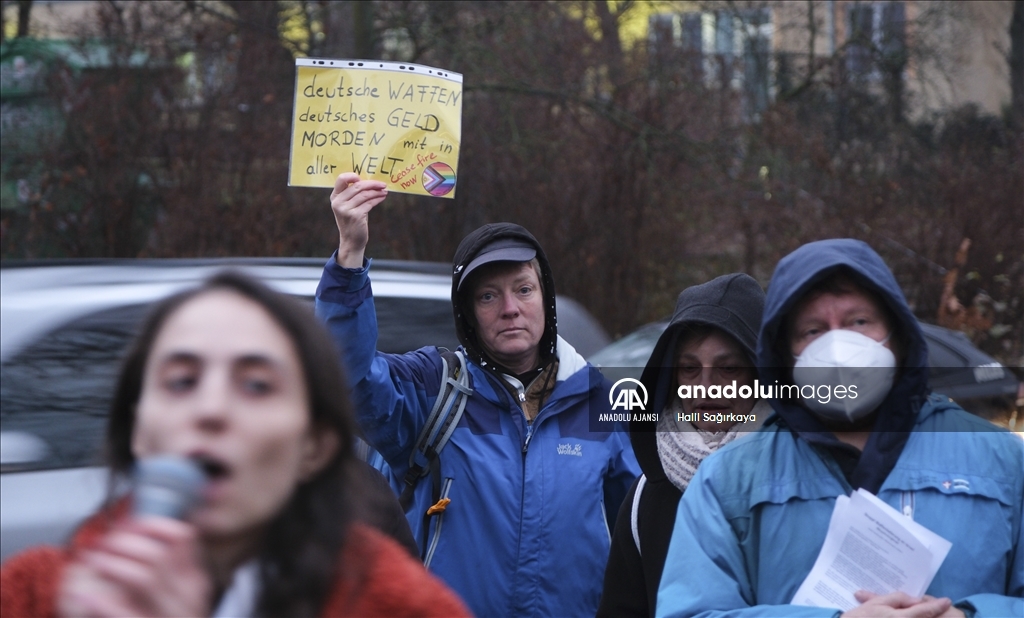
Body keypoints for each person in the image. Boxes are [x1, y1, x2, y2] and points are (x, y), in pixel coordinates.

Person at [0, 272, 469, 618]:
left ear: (315, 445)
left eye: (257, 385)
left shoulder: (402, 606)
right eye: (181, 381)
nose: (211, 409)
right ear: (138, 429)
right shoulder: (33, 595)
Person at [315, 173, 639, 616]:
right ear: (467, 314)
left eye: (524, 289)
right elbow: (348, 379)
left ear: (546, 299)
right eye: (488, 296)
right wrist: (349, 256)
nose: (510, 308)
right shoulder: (433, 391)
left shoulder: (604, 405)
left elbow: (639, 538)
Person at [656, 239, 1023, 618]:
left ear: (897, 334)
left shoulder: (1002, 459)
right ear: (784, 354)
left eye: (858, 322)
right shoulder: (728, 480)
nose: (837, 346)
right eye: (813, 331)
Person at [598, 273, 768, 617]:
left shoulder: (806, 480)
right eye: (689, 369)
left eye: (729, 368)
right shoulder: (645, 498)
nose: (706, 387)